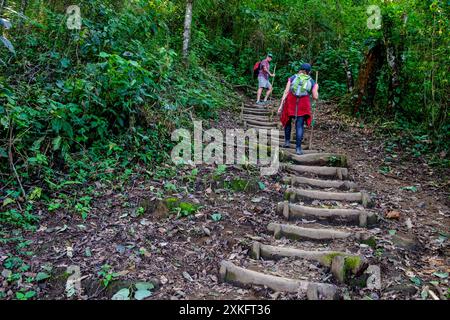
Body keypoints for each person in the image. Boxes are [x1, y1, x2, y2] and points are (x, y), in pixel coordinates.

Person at [277, 63, 318, 155]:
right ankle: (298, 149)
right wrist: (316, 87)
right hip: (303, 104)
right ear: (309, 71)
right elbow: (315, 96)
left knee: (288, 121)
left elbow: (286, 91)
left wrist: (281, 105)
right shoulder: (311, 81)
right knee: (299, 126)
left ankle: (287, 142)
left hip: (290, 102)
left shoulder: (293, 77)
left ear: (300, 69)